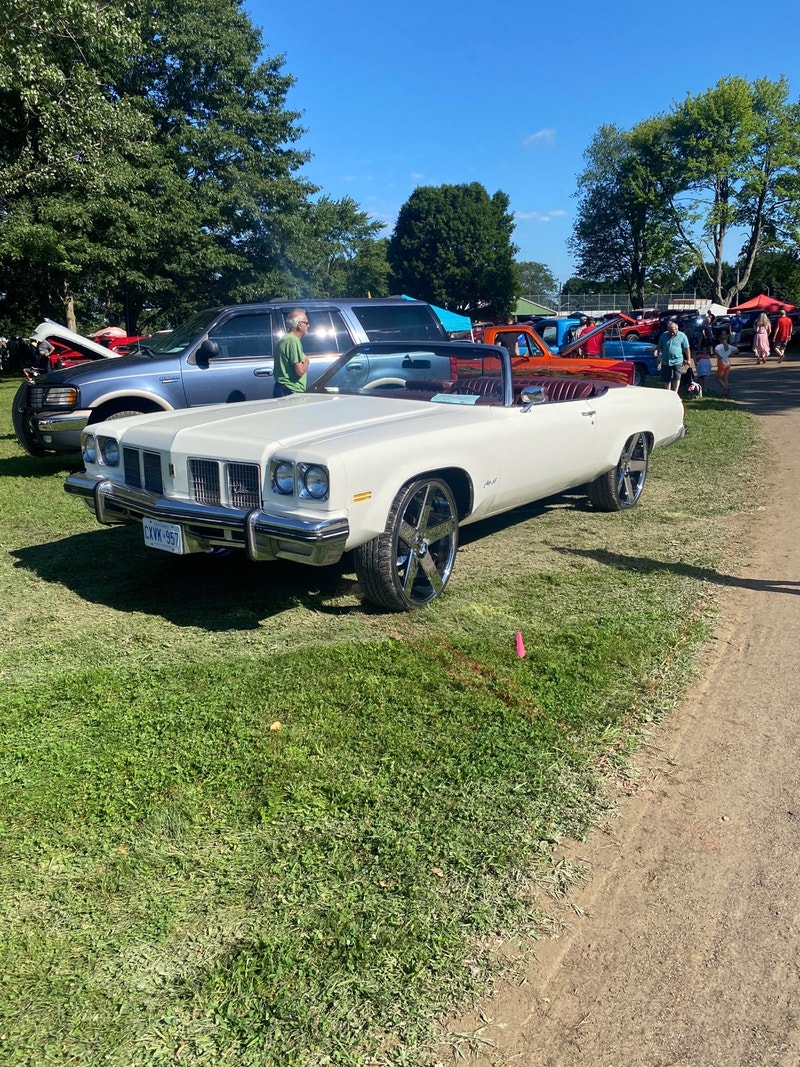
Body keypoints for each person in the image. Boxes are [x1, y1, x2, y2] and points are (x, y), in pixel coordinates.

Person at [273, 309, 310, 396]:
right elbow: (300, 371)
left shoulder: (283, 339)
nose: (308, 325)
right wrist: (307, 361)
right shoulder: (293, 340)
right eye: (306, 323)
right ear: (299, 324)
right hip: (291, 391)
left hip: (281, 389)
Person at [657, 319, 691, 392]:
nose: (671, 334)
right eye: (670, 332)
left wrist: (689, 359)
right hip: (666, 361)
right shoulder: (664, 335)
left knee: (677, 377)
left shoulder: (682, 336)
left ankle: (675, 392)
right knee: (666, 379)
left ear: (677, 329)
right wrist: (657, 354)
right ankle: (668, 392)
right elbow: (659, 346)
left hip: (677, 361)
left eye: (673, 332)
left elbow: (686, 348)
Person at [714, 331, 737, 398]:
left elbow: (715, 350)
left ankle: (726, 388)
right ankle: (725, 392)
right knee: (725, 377)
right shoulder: (729, 346)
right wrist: (730, 354)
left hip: (722, 362)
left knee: (719, 378)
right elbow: (736, 349)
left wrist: (719, 356)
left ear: (720, 340)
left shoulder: (719, 346)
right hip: (728, 362)